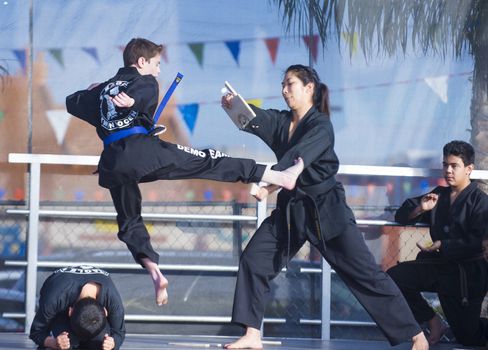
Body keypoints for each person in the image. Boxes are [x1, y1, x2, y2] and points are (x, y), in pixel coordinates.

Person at [65, 38, 304, 306]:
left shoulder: (102, 92)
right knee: (208, 160)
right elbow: (144, 93)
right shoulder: (143, 82)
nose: (157, 71)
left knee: (129, 219)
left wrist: (94, 89)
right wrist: (132, 100)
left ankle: (152, 268)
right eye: (155, 64)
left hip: (113, 163)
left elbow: (71, 102)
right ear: (141, 62)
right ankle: (276, 176)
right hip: (144, 153)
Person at [220, 64, 429, 350]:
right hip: (292, 212)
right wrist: (236, 109)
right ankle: (252, 334)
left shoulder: (321, 125)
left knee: (365, 274)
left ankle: (417, 335)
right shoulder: (282, 122)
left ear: (309, 88)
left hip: (327, 210)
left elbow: (300, 155)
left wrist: (273, 180)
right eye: (282, 84)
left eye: (290, 84)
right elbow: (258, 119)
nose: (284, 90)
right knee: (255, 259)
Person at [387, 140, 488, 347]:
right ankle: (433, 322)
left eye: (454, 166)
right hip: (438, 266)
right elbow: (402, 213)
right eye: (445, 165)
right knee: (395, 277)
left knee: (469, 337)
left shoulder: (480, 201)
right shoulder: (438, 195)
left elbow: (476, 242)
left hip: (467, 275)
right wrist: (421, 209)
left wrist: (443, 244)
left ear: (469, 169)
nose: (448, 170)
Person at [29, 265, 125, 350]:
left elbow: (120, 332)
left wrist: (112, 343)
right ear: (70, 311)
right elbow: (36, 332)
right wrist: (53, 343)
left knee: (100, 343)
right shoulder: (54, 299)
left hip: (70, 300)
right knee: (68, 343)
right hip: (60, 309)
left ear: (105, 311)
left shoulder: (112, 301)